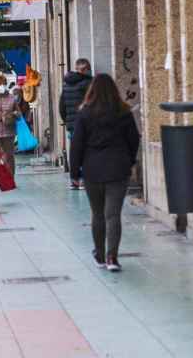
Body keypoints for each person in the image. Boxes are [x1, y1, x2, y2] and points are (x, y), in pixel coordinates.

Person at [69, 74, 139, 273]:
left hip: (93, 169)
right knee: (113, 214)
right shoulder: (123, 112)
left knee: (98, 214)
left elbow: (77, 145)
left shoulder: (85, 113)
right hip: (118, 168)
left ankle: (99, 254)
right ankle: (112, 256)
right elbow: (134, 139)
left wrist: (74, 171)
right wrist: (130, 160)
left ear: (92, 90)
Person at [59, 58, 92, 190]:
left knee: (75, 152)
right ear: (86, 70)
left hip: (72, 125)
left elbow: (62, 106)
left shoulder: (66, 84)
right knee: (86, 152)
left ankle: (74, 180)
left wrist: (67, 121)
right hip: (87, 124)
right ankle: (83, 179)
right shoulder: (88, 83)